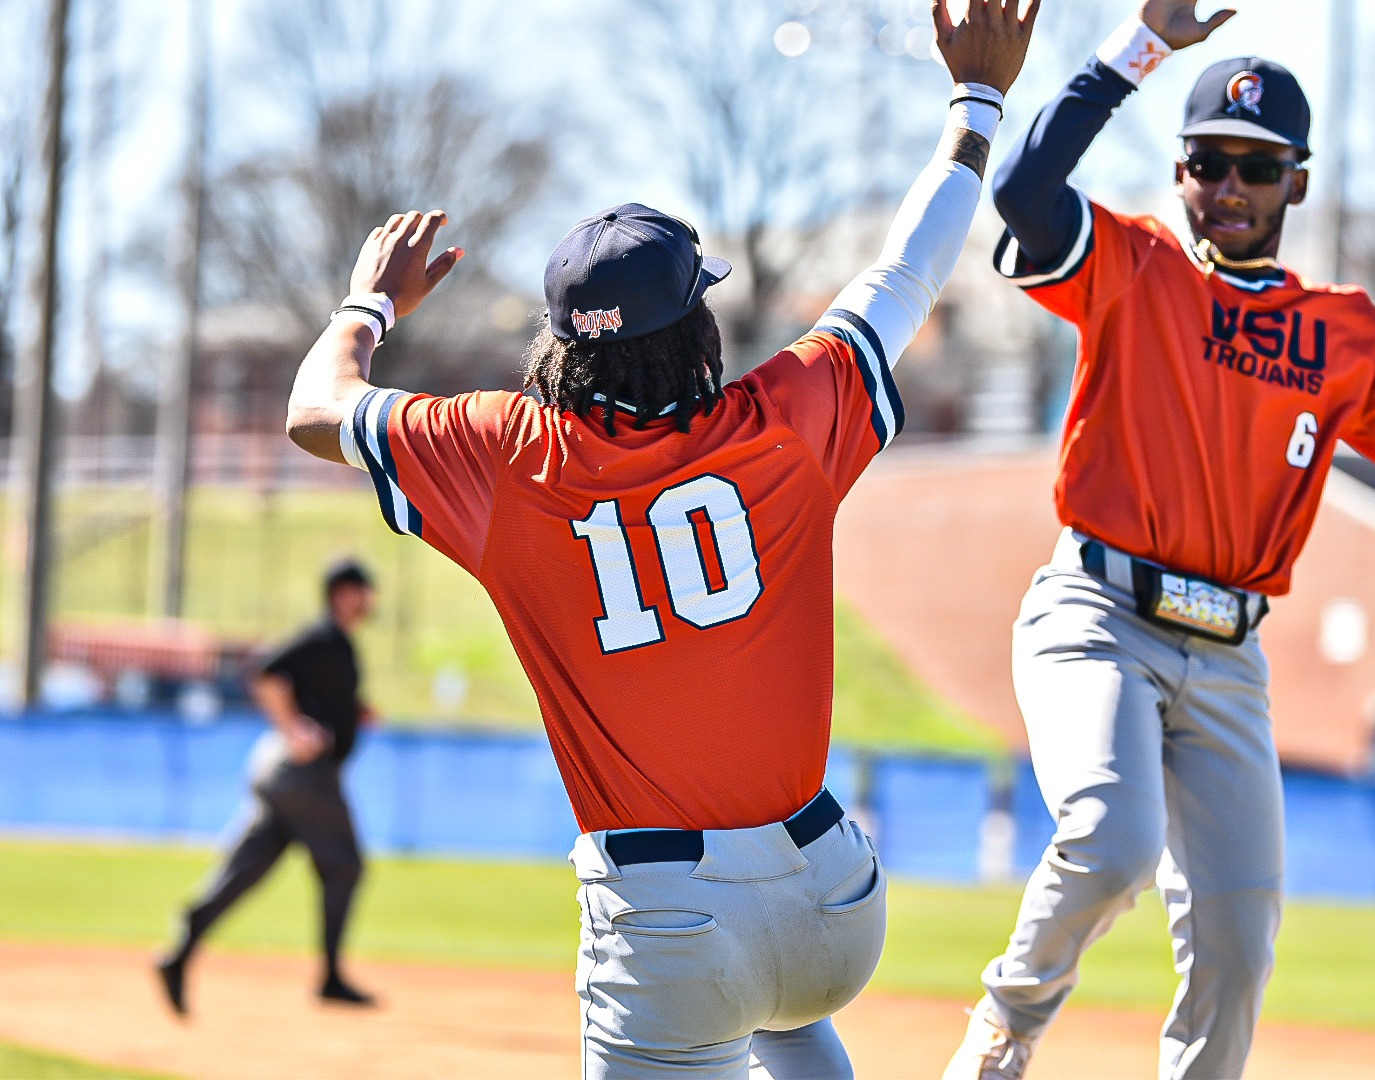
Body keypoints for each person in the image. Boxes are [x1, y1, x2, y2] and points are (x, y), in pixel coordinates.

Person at [280, 3, 1040, 1074]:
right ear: (696, 326)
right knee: (785, 1012)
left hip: (667, 920)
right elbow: (906, 273)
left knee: (724, 997)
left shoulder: (505, 454)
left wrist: (367, 304)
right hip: (832, 903)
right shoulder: (789, 417)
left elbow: (316, 409)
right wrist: (977, 102)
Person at [943, 1, 1375, 1077]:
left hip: (1229, 659)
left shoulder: (1342, 332)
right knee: (1109, 844)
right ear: (1182, 172)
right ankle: (1004, 1032)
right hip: (1099, 615)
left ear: (1297, 179)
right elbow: (1021, 192)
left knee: (1242, 936)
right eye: (1210, 163)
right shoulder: (1135, 268)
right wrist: (1138, 50)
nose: (1232, 187)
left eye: (1258, 167)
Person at [157, 560, 379, 1016]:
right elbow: (265, 673)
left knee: (247, 870)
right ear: (342, 593)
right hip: (302, 775)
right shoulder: (322, 636)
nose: (370, 600)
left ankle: (181, 948)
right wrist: (293, 727)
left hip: (284, 776)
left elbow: (316, 691)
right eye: (362, 591)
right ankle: (331, 977)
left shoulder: (337, 644)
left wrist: (352, 712)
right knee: (345, 865)